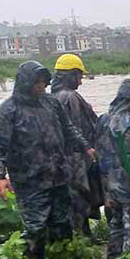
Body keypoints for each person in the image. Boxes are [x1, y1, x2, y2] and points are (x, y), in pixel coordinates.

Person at [0, 61, 96, 259]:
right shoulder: (8, 111)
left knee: (62, 223)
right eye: (36, 82)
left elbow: (68, 128)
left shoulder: (51, 103)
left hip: (58, 175)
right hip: (29, 179)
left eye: (44, 82)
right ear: (25, 82)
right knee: (36, 227)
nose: (41, 86)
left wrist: (85, 147)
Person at [95, 79, 130, 259]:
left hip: (110, 186)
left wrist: (106, 192)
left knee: (116, 226)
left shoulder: (103, 120)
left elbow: (99, 156)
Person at [51, 53, 101, 236]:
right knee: (80, 199)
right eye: (79, 76)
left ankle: (80, 236)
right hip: (76, 158)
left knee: (71, 201)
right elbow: (78, 129)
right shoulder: (70, 97)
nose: (80, 81)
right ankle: (83, 238)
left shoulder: (51, 98)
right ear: (70, 75)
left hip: (61, 160)